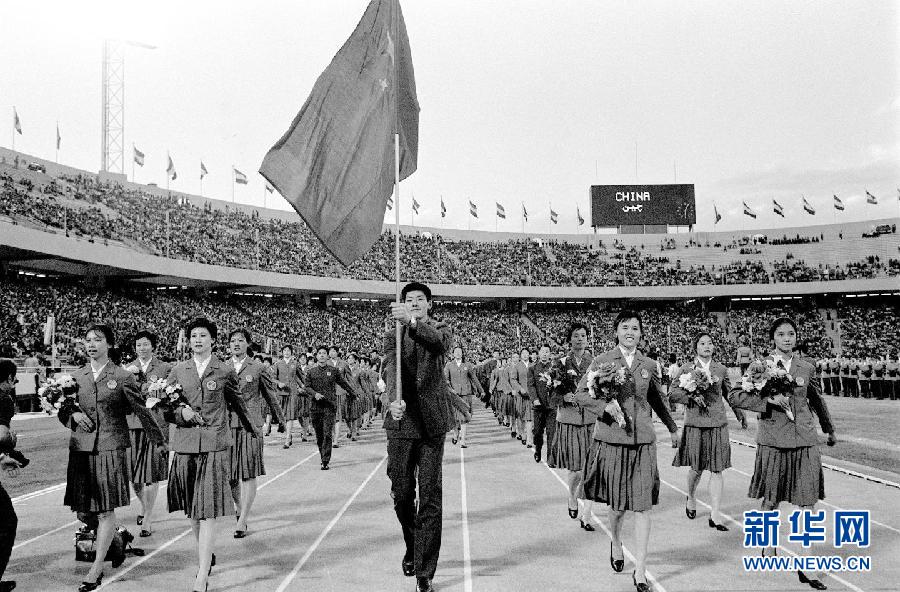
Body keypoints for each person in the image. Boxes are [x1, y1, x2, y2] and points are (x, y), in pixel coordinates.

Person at [728, 316, 837, 591]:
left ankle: (807, 564)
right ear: (773, 338)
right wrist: (767, 401)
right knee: (771, 499)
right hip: (773, 441)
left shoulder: (806, 367)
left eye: (791, 334)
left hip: (805, 440)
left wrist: (828, 429)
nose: (787, 338)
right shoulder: (760, 366)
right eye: (781, 334)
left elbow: (816, 400)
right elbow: (735, 395)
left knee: (808, 501)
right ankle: (768, 544)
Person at [577, 311, 679, 592]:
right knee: (618, 506)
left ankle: (641, 570)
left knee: (643, 506)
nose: (630, 332)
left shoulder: (649, 365)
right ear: (616, 332)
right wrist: (604, 408)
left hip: (643, 441)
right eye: (625, 327)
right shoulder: (601, 361)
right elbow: (581, 394)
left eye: (635, 328)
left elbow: (657, 399)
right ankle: (616, 541)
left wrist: (672, 427)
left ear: (641, 333)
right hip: (613, 440)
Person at [60, 325, 165, 592]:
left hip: (111, 449)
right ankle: (118, 537)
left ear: (109, 344)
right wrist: (73, 415)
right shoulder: (75, 377)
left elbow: (142, 411)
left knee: (106, 510)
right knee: (83, 512)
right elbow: (63, 410)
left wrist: (159, 441)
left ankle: (96, 569)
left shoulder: (122, 376)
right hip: (81, 450)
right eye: (87, 340)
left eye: (98, 339)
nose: (91, 344)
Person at [164, 318, 258, 592]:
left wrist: (254, 431)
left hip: (214, 446)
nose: (197, 340)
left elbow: (239, 404)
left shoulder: (224, 371)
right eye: (193, 335)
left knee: (207, 513)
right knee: (193, 513)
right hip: (185, 446)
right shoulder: (178, 370)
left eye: (203, 335)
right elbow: (165, 408)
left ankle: (202, 573)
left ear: (213, 340)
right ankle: (206, 557)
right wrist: (181, 413)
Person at [384, 282, 453, 592]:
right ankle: (413, 544)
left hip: (431, 425)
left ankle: (425, 571)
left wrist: (411, 323)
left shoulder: (441, 329)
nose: (414, 302)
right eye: (409, 299)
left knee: (430, 497)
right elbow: (390, 369)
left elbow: (436, 344)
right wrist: (392, 401)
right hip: (402, 422)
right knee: (401, 494)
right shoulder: (392, 334)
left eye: (419, 299)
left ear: (429, 304)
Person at [668, 332, 732, 531]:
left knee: (717, 469)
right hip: (695, 423)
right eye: (702, 343)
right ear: (695, 347)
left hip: (717, 423)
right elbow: (672, 393)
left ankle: (715, 515)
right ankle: (691, 496)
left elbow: (730, 394)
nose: (707, 346)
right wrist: (690, 397)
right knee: (696, 469)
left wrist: (740, 415)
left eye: (710, 343)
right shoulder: (686, 369)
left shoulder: (721, 369)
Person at [227, 329, 285, 539]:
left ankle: (243, 519)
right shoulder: (222, 367)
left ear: (248, 344)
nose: (236, 344)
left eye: (240, 340)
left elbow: (270, 395)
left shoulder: (258, 367)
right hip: (227, 425)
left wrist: (280, 419)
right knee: (230, 476)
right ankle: (239, 507)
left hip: (251, 426)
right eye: (233, 341)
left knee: (248, 472)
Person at [122, 331, 172, 538]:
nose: (142, 348)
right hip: (132, 425)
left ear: (153, 346)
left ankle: (148, 519)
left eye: (145, 344)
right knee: (134, 477)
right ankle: (144, 506)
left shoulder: (164, 368)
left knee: (151, 475)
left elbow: (168, 395)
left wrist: (146, 388)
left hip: (155, 425)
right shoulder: (126, 369)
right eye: (138, 345)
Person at [550, 322, 597, 532]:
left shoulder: (595, 362)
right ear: (569, 339)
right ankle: (572, 496)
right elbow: (551, 395)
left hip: (591, 420)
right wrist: (563, 397)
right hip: (570, 421)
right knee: (576, 469)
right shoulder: (560, 363)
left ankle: (586, 515)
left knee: (592, 468)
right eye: (576, 335)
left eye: (583, 335)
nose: (580, 339)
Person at [304, 346, 360, 470]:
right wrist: (315, 394)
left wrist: (353, 393)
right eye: (319, 353)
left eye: (324, 353)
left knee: (327, 433)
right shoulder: (311, 371)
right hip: (315, 406)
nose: (322, 355)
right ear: (316, 356)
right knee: (319, 435)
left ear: (327, 356)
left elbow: (343, 383)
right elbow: (306, 387)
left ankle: (325, 460)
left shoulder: (333, 371)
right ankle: (322, 455)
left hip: (329, 406)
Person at [0, 359, 21, 592]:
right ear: (8, 378)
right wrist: (9, 446)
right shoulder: (4, 399)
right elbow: (1, 435)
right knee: (7, 521)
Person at [443, 346, 484, 448]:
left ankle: (463, 441)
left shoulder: (467, 365)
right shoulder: (449, 365)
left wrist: (481, 390)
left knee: (465, 417)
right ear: (453, 354)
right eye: (456, 352)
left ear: (462, 353)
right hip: (454, 396)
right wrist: (450, 388)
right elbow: (445, 379)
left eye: (459, 351)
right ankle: (456, 433)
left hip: (466, 394)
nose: (458, 353)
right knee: (455, 418)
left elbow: (474, 378)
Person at [527, 344, 557, 466]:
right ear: (539, 353)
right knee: (538, 432)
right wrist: (535, 399)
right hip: (538, 406)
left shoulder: (555, 368)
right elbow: (531, 385)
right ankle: (538, 449)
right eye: (542, 351)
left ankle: (550, 458)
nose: (544, 354)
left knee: (551, 432)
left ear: (550, 354)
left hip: (551, 406)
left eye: (547, 351)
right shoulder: (533, 368)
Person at [273, 346, 300, 449]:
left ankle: (287, 438)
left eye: (289, 350)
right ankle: (288, 434)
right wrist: (278, 383)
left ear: (291, 352)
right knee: (282, 415)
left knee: (290, 415)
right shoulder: (278, 364)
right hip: (281, 392)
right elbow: (272, 378)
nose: (287, 352)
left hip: (292, 392)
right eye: (285, 350)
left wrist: (304, 387)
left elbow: (301, 377)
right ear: (282, 352)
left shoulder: (295, 363)